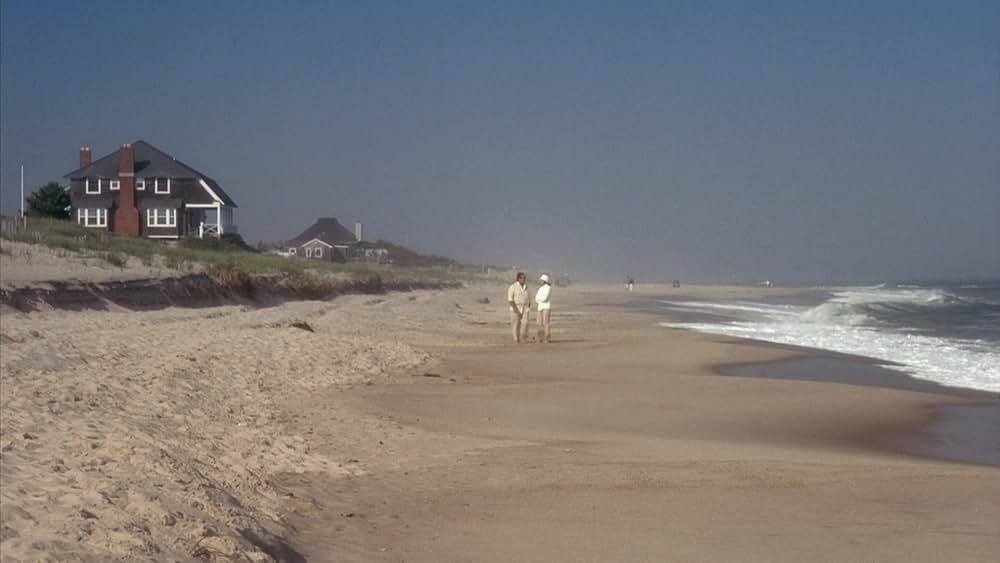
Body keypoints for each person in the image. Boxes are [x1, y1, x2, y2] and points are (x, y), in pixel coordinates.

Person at [506, 272, 531, 343]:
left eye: (525, 278)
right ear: (518, 279)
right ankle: (516, 339)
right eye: (523, 278)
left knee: (525, 323)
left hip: (525, 308)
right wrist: (515, 309)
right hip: (515, 307)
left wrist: (529, 305)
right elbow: (510, 299)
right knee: (516, 324)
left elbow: (529, 297)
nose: (524, 279)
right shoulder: (513, 287)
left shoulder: (526, 287)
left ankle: (523, 337)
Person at [535, 274, 552, 343]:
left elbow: (545, 298)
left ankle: (547, 338)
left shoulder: (548, 288)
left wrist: (539, 300)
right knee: (539, 323)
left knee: (546, 323)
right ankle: (540, 338)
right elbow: (536, 298)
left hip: (546, 307)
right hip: (540, 307)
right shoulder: (540, 288)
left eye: (541, 280)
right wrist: (539, 300)